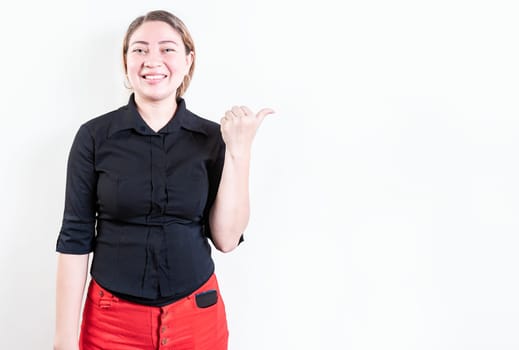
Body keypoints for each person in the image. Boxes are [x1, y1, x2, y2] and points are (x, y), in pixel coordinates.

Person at [54, 9, 273, 350]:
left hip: (197, 318)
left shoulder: (214, 138)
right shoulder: (94, 137)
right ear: (126, 62)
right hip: (112, 323)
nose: (151, 60)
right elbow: (75, 238)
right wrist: (63, 342)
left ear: (188, 60)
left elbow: (227, 239)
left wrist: (239, 151)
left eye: (167, 49)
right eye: (139, 49)